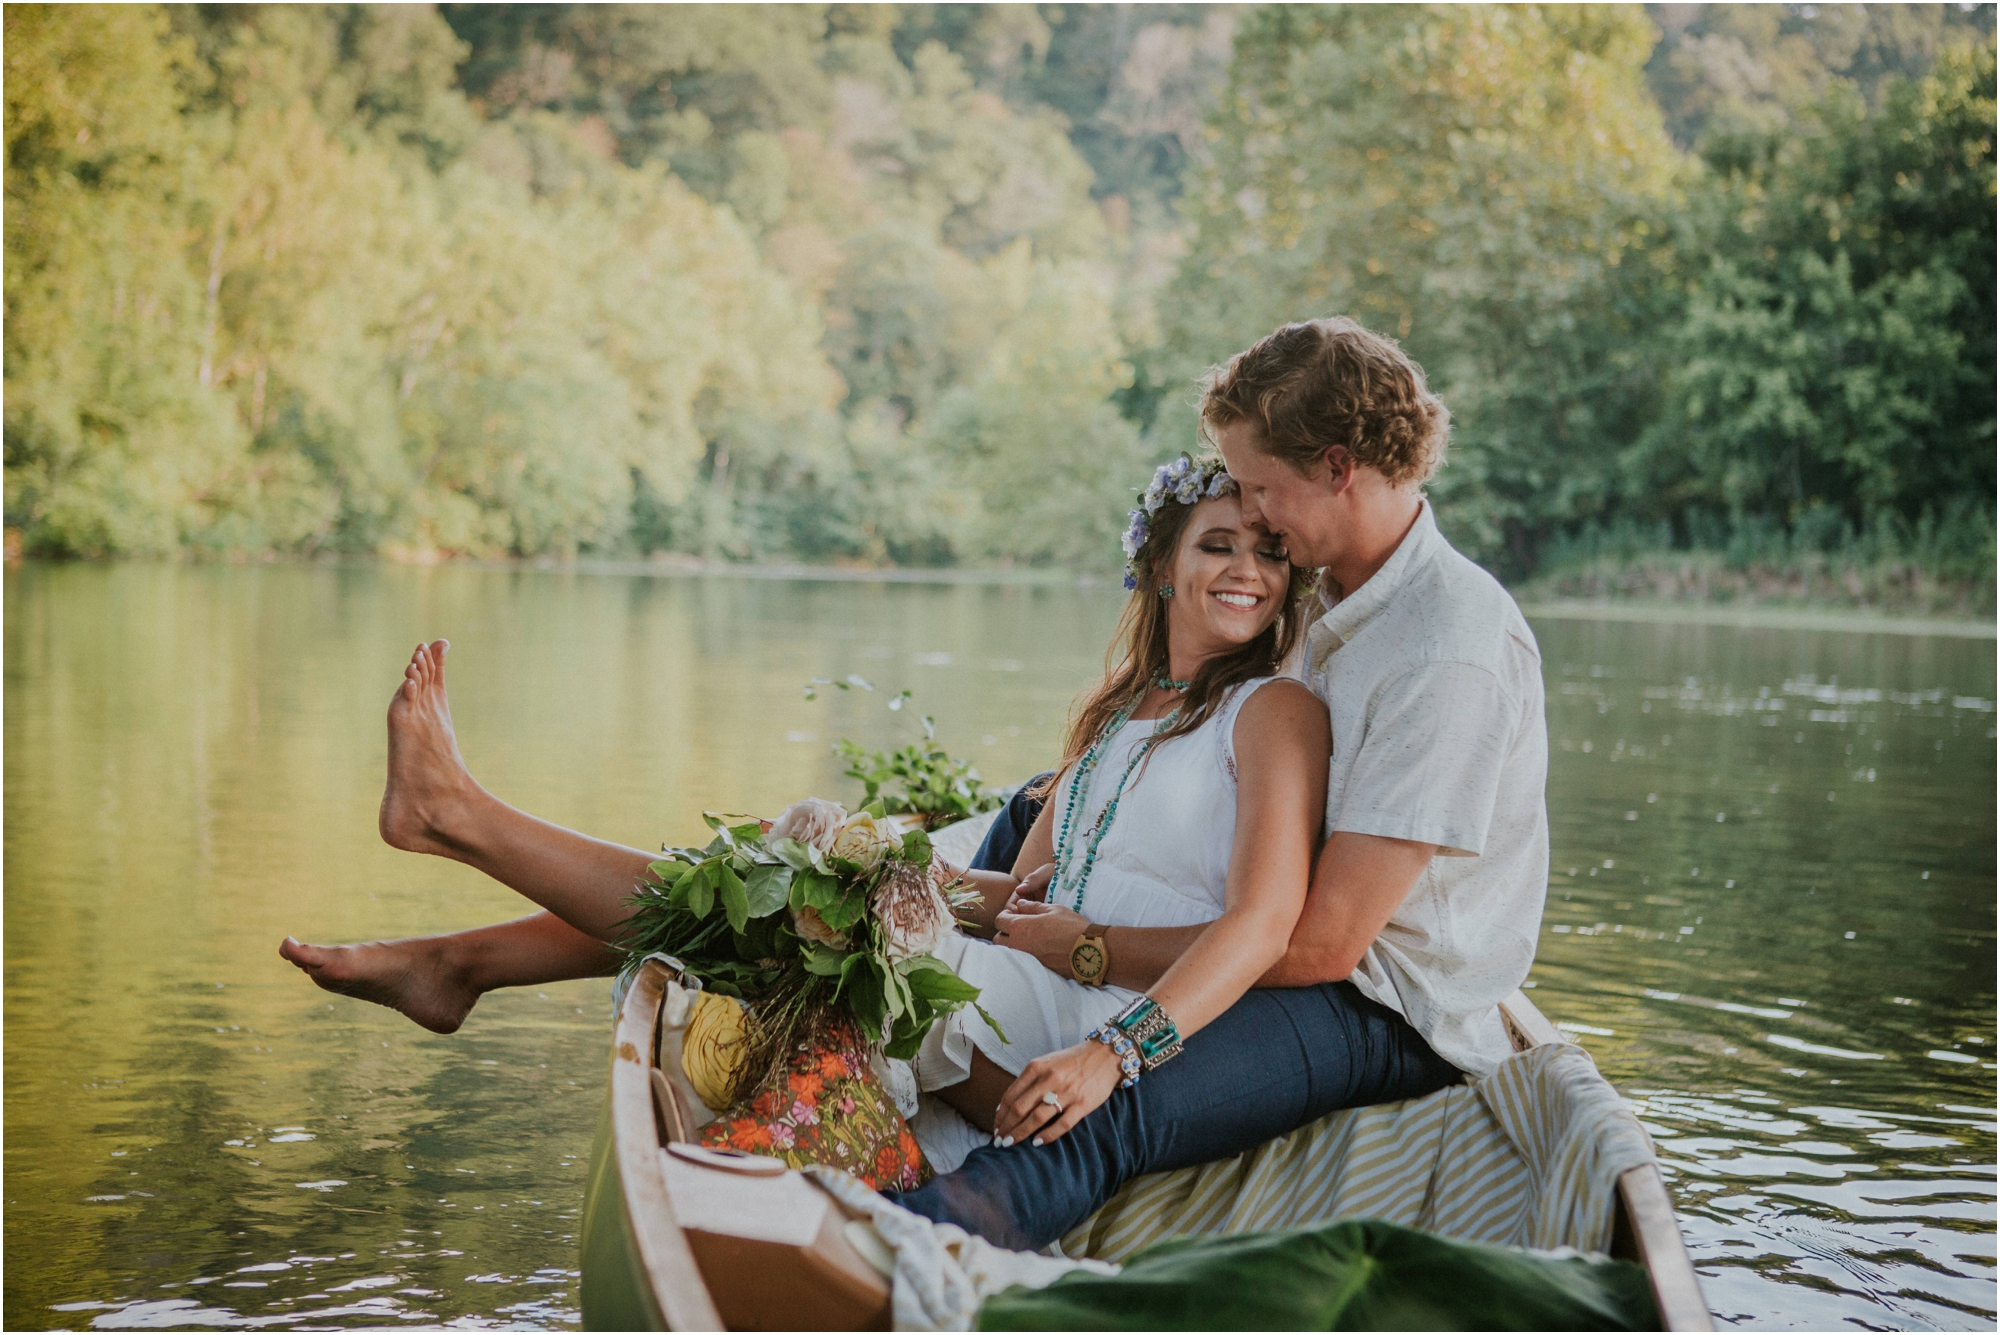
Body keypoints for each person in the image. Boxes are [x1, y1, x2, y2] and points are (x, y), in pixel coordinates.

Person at [282, 457, 1417, 1171]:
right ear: (1160, 569)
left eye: (1268, 555)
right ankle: (461, 935)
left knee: (807, 912)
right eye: (1217, 545)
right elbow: (1010, 894)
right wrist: (871, 860)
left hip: (1104, 1021)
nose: (1248, 573)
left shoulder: (1271, 713)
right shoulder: (1119, 721)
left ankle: (463, 842)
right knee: (804, 857)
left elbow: (1261, 924)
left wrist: (1114, 1052)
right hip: (1028, 978)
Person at [885, 316, 1549, 1248]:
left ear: (1335, 467)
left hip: (1380, 1001)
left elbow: (1319, 946)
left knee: (1109, 1105)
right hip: (1279, 924)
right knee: (1034, 806)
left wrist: (1093, 953)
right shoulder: (1331, 593)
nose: (1256, 514)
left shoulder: (1448, 651)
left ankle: (882, 1248)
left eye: (1263, 489)